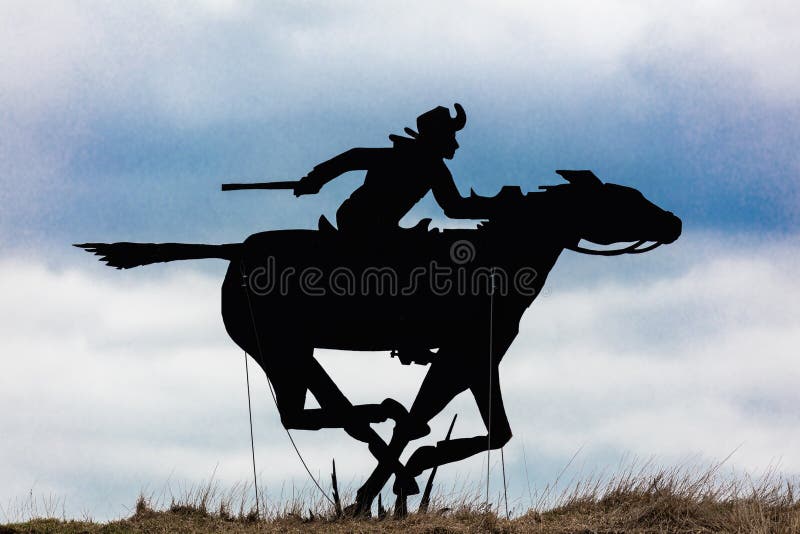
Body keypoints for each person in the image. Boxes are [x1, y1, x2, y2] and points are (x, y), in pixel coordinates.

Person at [294, 104, 489, 232]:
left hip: (384, 228)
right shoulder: (405, 158)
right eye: (451, 137)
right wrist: (314, 180)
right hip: (359, 223)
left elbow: (454, 207)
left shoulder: (435, 169)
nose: (455, 145)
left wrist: (500, 210)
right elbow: (352, 157)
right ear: (437, 137)